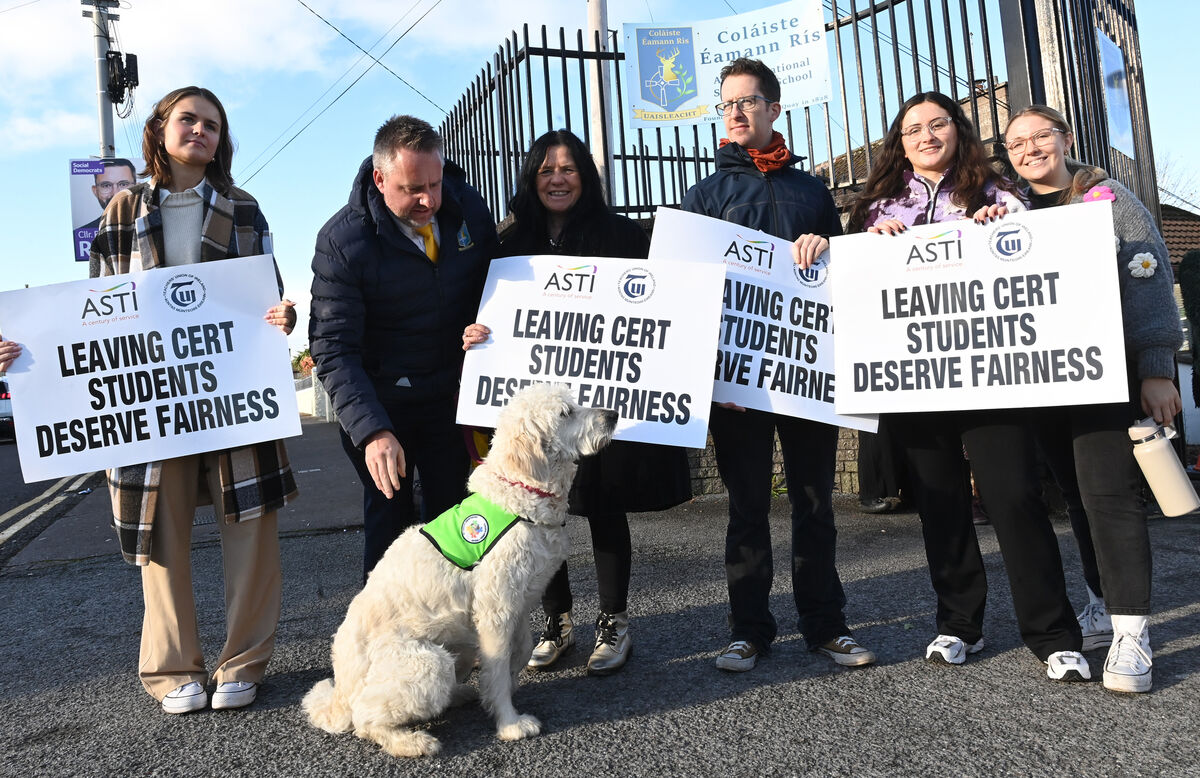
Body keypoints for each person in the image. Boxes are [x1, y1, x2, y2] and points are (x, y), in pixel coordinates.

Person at [0, 87, 300, 715]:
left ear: (222, 141)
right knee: (161, 536)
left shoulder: (245, 208)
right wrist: (25, 351)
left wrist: (284, 315)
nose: (201, 131)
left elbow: (266, 295)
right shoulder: (122, 211)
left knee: (251, 528)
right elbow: (91, 312)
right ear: (161, 129)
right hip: (153, 403)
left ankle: (243, 662)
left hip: (230, 396)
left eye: (213, 125)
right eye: (188, 119)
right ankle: (172, 669)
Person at [844, 91, 1089, 682]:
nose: (926, 136)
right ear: (898, 143)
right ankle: (959, 624)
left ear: (958, 130)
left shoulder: (998, 192)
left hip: (989, 380)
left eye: (937, 124)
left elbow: (1035, 261)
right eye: (912, 130)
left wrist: (1000, 228)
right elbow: (850, 282)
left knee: (1014, 498)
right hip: (914, 382)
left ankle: (1053, 634)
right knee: (941, 504)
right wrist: (870, 243)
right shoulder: (875, 206)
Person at [462, 130, 693, 676]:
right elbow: (488, 313)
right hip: (541, 411)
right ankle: (556, 621)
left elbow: (665, 301)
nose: (557, 179)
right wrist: (475, 333)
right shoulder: (508, 244)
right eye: (545, 170)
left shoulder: (625, 236)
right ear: (531, 178)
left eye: (568, 169)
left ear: (585, 176)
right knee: (540, 514)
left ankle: (613, 622)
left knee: (605, 507)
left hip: (603, 396)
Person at [678, 58, 874, 673]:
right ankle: (749, 631)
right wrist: (714, 372)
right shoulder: (704, 195)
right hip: (737, 382)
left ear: (775, 110)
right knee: (747, 506)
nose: (736, 113)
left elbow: (840, 279)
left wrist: (826, 248)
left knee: (814, 501)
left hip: (806, 377)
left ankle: (826, 625)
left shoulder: (813, 191)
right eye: (726, 104)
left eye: (748, 102)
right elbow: (688, 290)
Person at [1001, 104, 1183, 692]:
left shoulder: (1106, 197)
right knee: (1076, 492)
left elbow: (1148, 278)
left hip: (1104, 373)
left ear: (1066, 138)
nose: (1029, 150)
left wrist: (1157, 368)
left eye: (1040, 137)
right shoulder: (1008, 208)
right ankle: (1103, 601)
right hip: (1042, 376)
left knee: (1109, 494)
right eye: (1017, 143)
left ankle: (1134, 635)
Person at [309, 115, 499, 582]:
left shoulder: (469, 210)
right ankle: (384, 639)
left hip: (448, 397)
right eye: (413, 188)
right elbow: (333, 347)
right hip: (381, 401)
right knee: (390, 521)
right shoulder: (341, 241)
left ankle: (459, 636)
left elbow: (500, 287)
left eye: (435, 183)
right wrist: (372, 431)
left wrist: (487, 326)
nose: (429, 200)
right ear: (379, 178)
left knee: (456, 518)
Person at [81, 158, 137, 231]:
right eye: (106, 185)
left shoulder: (152, 227)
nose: (115, 193)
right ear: (95, 191)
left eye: (123, 184)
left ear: (137, 187)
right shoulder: (85, 231)